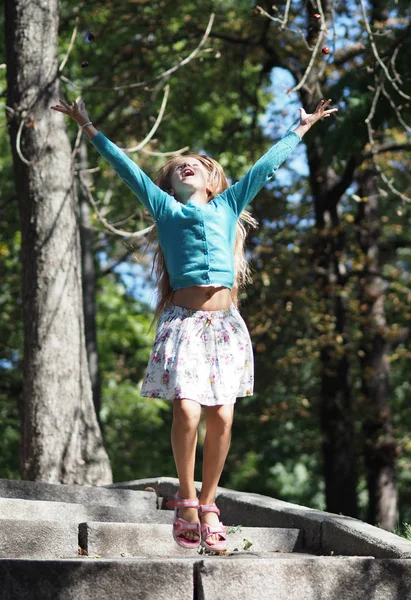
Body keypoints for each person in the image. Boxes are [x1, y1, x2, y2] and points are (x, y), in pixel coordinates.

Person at [50, 97, 338, 551]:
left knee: (222, 415)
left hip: (223, 325)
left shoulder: (228, 205)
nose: (186, 168)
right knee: (186, 408)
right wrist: (87, 124)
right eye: (178, 166)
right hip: (183, 323)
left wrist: (299, 130)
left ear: (209, 179)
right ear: (169, 182)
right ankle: (186, 498)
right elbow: (127, 168)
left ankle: (209, 503)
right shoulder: (165, 209)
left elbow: (263, 168)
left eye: (194, 166)